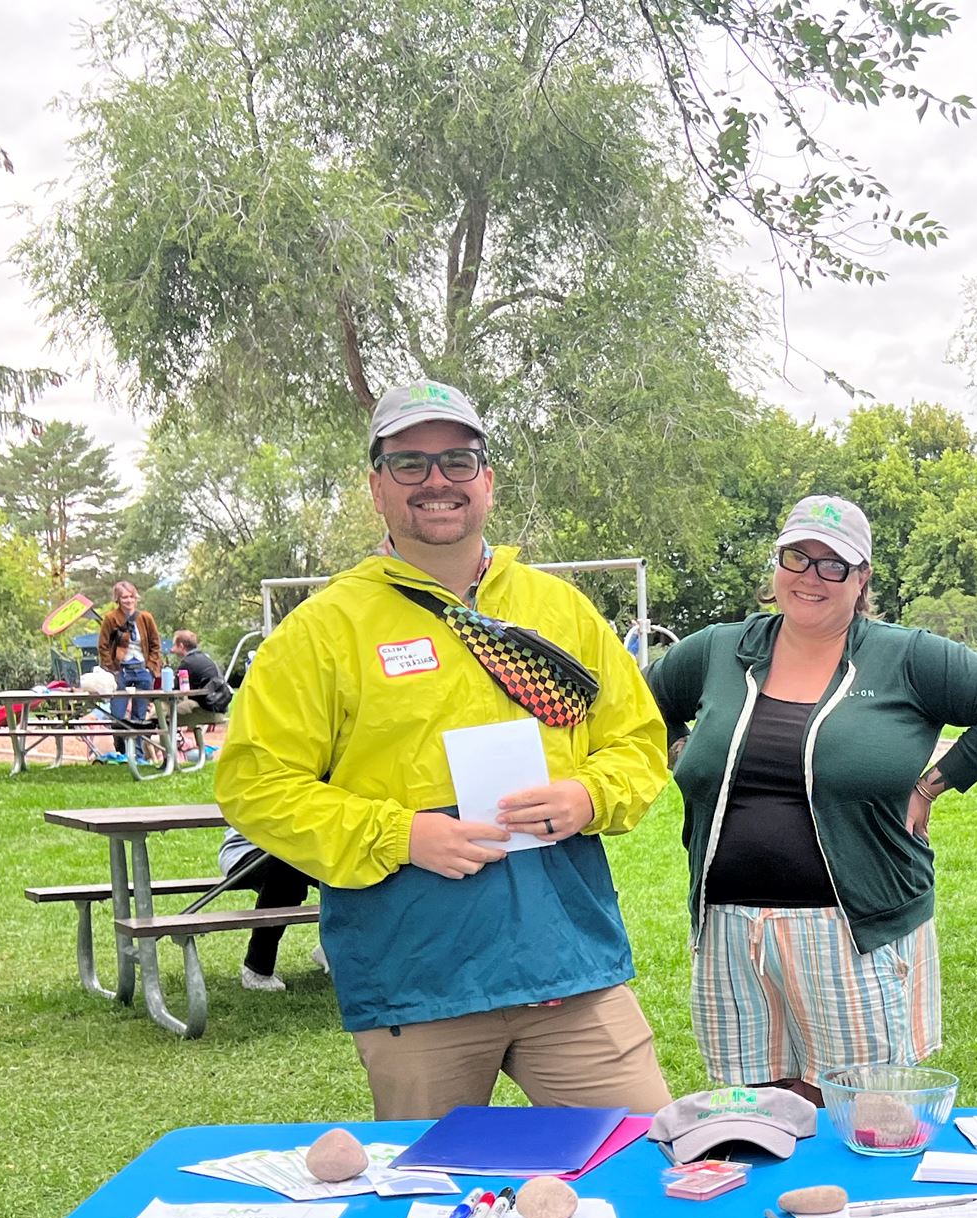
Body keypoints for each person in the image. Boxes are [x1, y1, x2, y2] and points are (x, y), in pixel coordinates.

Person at [217, 378, 674, 1118]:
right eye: (410, 464)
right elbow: (256, 785)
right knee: (434, 1199)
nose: (437, 481)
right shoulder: (323, 629)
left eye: (458, 461)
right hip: (418, 976)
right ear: (376, 487)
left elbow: (637, 742)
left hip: (569, 967)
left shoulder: (561, 610)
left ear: (486, 481)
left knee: (642, 1164)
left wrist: (588, 794)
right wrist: (401, 834)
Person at [649, 497, 977, 1092]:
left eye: (833, 564)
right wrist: (681, 750)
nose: (811, 576)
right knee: (751, 1120)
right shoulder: (719, 650)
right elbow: (635, 706)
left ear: (861, 579)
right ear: (777, 563)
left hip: (854, 931)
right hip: (730, 932)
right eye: (797, 557)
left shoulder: (905, 655)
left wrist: (932, 784)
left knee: (866, 1116)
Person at [217, 827, 321, 994]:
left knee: (356, 866)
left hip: (307, 848)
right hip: (247, 850)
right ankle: (257, 968)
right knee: (287, 872)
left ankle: (335, 948)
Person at [170, 628, 230, 762]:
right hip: (218, 707)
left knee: (164, 717)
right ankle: (198, 753)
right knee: (178, 709)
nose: (172, 649)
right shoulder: (205, 658)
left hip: (207, 709)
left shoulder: (188, 662)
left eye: (174, 645)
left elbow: (174, 687)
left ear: (181, 646)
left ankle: (170, 759)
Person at [97, 579, 161, 684]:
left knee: (142, 700)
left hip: (142, 669)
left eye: (132, 596)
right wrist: (112, 669)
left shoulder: (146, 617)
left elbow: (155, 644)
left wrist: (150, 667)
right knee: (119, 700)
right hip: (120, 671)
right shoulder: (110, 618)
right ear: (118, 599)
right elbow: (103, 646)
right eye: (125, 597)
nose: (129, 600)